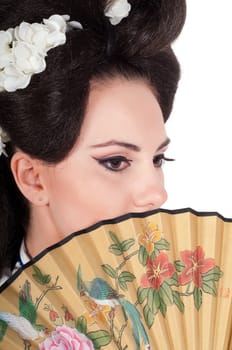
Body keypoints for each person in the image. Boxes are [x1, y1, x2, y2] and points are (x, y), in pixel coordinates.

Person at [0, 0, 186, 286]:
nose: (157, 194)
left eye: (158, 159)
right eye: (116, 161)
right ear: (32, 178)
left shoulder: (193, 314)